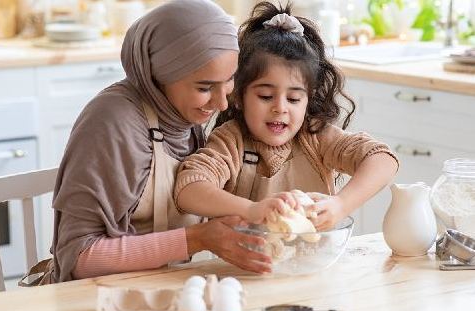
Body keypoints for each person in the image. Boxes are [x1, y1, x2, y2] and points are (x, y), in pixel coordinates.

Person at [45, 0, 272, 284]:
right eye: (204, 87)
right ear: (158, 77)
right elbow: (78, 258)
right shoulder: (112, 122)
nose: (221, 102)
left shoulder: (183, 118)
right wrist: (198, 239)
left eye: (229, 80)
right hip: (95, 300)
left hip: (163, 290)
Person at [174, 2, 399, 235]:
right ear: (239, 96)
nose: (280, 108)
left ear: (308, 101)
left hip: (313, 265)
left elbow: (383, 159)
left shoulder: (315, 136)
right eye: (266, 96)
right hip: (244, 267)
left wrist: (342, 204)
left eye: (293, 99)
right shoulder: (231, 140)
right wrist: (252, 210)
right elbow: (189, 188)